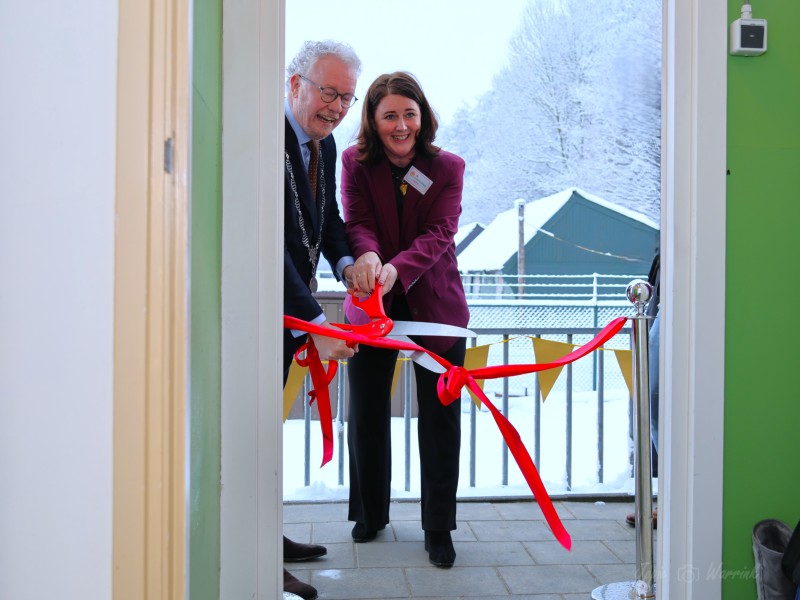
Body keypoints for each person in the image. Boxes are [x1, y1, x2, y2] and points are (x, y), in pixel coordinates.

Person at [341, 72, 470, 568]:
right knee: (368, 411)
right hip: (373, 308)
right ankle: (370, 513)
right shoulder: (355, 163)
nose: (400, 125)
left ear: (423, 116)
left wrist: (396, 268)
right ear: (373, 120)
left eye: (408, 114)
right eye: (389, 115)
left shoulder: (449, 167)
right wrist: (370, 258)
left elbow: (440, 233)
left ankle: (439, 527)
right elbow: (357, 221)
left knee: (440, 420)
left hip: (436, 308)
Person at [282, 39, 361, 600]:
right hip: (266, 311)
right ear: (294, 84)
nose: (335, 108)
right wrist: (315, 322)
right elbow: (268, 247)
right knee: (247, 436)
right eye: (328, 92)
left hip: (291, 310)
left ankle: (266, 533)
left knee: (265, 432)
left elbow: (327, 219)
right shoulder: (264, 137)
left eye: (346, 99)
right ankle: (254, 551)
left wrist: (348, 261)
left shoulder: (323, 145)